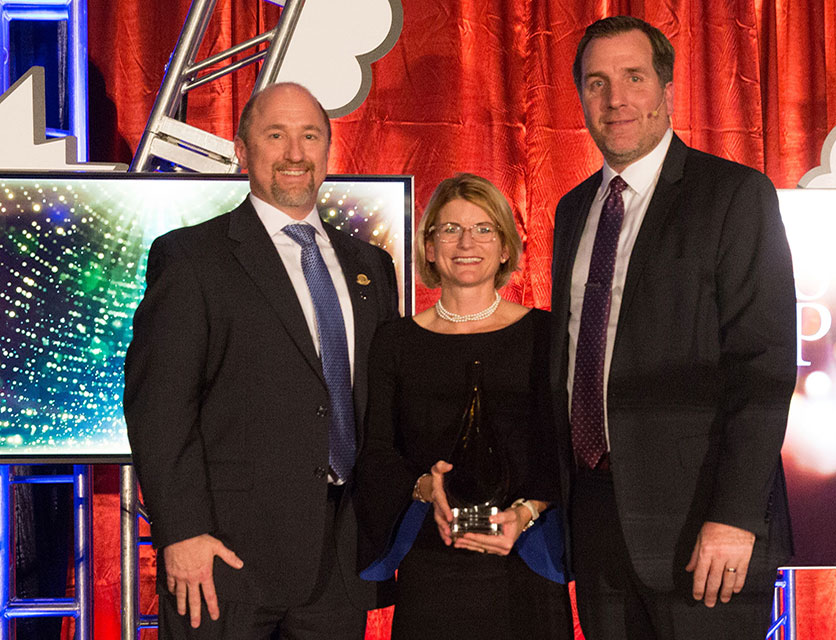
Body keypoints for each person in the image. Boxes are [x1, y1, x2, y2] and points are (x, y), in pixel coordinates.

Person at [549, 16, 797, 640]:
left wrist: (735, 517)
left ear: (666, 87)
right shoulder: (574, 208)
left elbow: (763, 367)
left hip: (703, 531)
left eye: (633, 77)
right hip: (597, 522)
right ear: (580, 96)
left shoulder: (735, 196)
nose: (616, 99)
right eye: (596, 82)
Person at [124, 82, 399, 639]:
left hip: (339, 558)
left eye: (309, 136)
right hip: (223, 559)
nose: (295, 153)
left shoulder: (370, 264)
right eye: (276, 136)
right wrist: (181, 532)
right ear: (243, 150)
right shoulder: (192, 257)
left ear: (328, 149)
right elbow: (159, 407)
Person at [357, 173, 574, 639]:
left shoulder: (546, 335)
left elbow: (566, 446)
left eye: (483, 229)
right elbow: (375, 452)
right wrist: (421, 487)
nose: (466, 242)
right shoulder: (394, 341)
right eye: (450, 229)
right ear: (430, 247)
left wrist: (527, 512)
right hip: (431, 564)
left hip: (525, 560)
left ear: (504, 247)